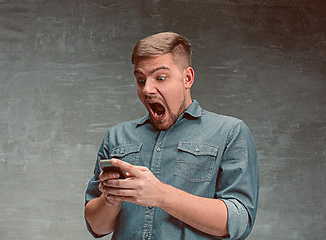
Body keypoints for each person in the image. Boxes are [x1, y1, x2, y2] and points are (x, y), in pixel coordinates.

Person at [84, 32, 259, 240]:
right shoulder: (116, 136)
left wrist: (161, 195)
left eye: (160, 78)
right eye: (141, 80)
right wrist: (111, 200)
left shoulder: (230, 132)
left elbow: (239, 221)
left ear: (187, 78)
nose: (147, 89)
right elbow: (96, 227)